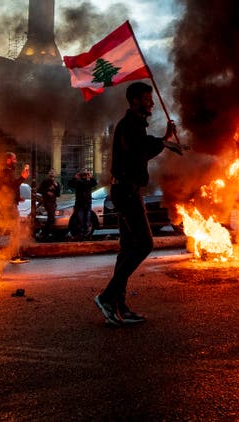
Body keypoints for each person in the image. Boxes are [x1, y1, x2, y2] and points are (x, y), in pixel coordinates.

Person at [93, 81, 180, 327]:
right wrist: (163, 142)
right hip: (126, 192)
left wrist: (164, 139)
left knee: (128, 247)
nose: (151, 102)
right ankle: (107, 297)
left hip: (128, 191)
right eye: (146, 98)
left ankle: (119, 304)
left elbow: (142, 151)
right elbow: (141, 147)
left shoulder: (134, 125)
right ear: (134, 101)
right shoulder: (130, 125)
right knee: (144, 244)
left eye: (151, 98)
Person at [0, 153, 31, 263]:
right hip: (8, 205)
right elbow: (11, 186)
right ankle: (15, 256)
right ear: (8, 160)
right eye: (14, 159)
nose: (16, 161)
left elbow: (9, 189)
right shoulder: (6, 171)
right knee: (15, 230)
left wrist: (17, 197)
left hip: (8, 203)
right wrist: (23, 178)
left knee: (2, 228)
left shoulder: (7, 171)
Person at [67, 168, 99, 240]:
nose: (84, 175)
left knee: (87, 221)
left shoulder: (89, 181)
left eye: (85, 173)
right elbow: (70, 184)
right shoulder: (78, 182)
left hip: (87, 203)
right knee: (80, 220)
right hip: (79, 204)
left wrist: (90, 177)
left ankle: (85, 235)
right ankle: (81, 235)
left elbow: (95, 183)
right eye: (83, 174)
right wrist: (75, 178)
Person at [37, 169, 61, 240]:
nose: (52, 174)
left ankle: (45, 232)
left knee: (52, 218)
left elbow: (58, 194)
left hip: (53, 202)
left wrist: (56, 187)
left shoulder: (56, 183)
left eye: (53, 173)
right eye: (50, 173)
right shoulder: (45, 182)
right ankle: (46, 232)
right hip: (47, 201)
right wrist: (47, 192)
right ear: (48, 174)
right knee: (51, 217)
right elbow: (40, 190)